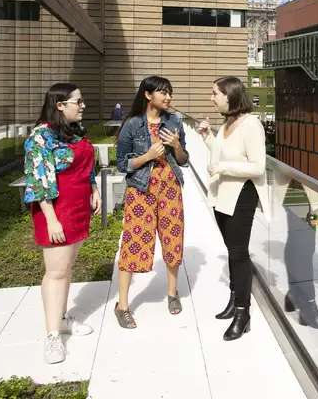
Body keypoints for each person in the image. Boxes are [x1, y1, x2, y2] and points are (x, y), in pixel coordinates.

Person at [23, 83, 101, 364]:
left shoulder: (74, 132)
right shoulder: (40, 137)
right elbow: (38, 180)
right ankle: (53, 336)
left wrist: (94, 189)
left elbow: (87, 166)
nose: (82, 106)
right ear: (59, 105)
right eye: (77, 102)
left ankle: (63, 317)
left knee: (67, 269)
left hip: (79, 208)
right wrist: (52, 220)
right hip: (56, 212)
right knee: (55, 273)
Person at [114, 76, 189, 329]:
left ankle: (172, 292)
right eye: (163, 93)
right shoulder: (132, 125)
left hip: (170, 188)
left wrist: (176, 145)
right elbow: (122, 163)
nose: (168, 97)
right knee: (134, 243)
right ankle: (122, 305)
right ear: (148, 95)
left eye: (170, 93)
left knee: (172, 239)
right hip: (141, 190)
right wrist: (147, 156)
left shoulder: (175, 122)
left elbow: (183, 159)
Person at [199, 76, 267, 341]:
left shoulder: (251, 125)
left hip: (241, 195)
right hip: (222, 196)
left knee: (239, 253)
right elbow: (220, 156)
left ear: (231, 95)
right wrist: (207, 138)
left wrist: (224, 168)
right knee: (232, 250)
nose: (211, 97)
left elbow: (258, 166)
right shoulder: (228, 123)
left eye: (215, 93)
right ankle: (233, 299)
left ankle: (243, 313)